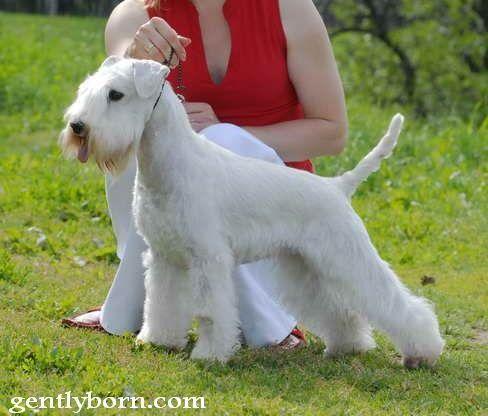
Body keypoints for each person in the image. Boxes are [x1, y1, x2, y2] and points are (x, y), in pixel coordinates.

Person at [62, 0, 348, 351]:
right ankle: (133, 305)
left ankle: (264, 320)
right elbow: (111, 113)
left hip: (273, 190)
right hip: (175, 192)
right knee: (142, 147)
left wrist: (225, 132)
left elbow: (332, 133)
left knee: (221, 140)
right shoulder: (133, 15)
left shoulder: (290, 9)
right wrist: (132, 57)